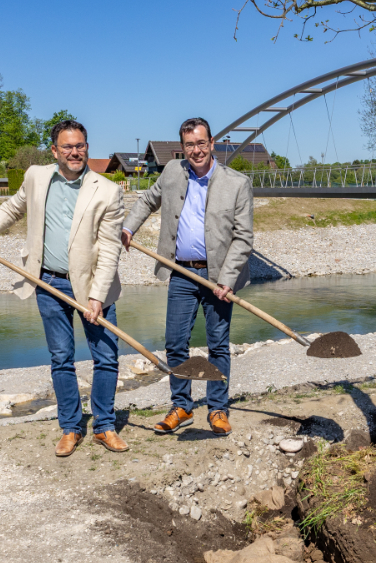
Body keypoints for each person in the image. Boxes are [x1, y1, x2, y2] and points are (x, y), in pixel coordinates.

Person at [0, 120, 128, 457]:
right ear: (54, 150)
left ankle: (104, 426)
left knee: (106, 357)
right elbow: (12, 208)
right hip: (48, 281)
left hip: (93, 285)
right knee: (61, 358)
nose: (74, 152)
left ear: (87, 147)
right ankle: (70, 428)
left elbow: (111, 247)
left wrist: (97, 295)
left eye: (80, 146)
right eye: (67, 147)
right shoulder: (37, 177)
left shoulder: (108, 190)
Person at [122, 117, 253, 437]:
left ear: (212, 144)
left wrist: (227, 279)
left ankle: (218, 408)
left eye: (201, 143)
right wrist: (128, 226)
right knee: (175, 343)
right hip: (181, 271)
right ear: (182, 148)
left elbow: (243, 238)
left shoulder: (237, 183)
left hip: (218, 275)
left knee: (218, 345)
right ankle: (181, 406)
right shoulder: (171, 172)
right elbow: (148, 200)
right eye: (189, 145)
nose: (196, 150)